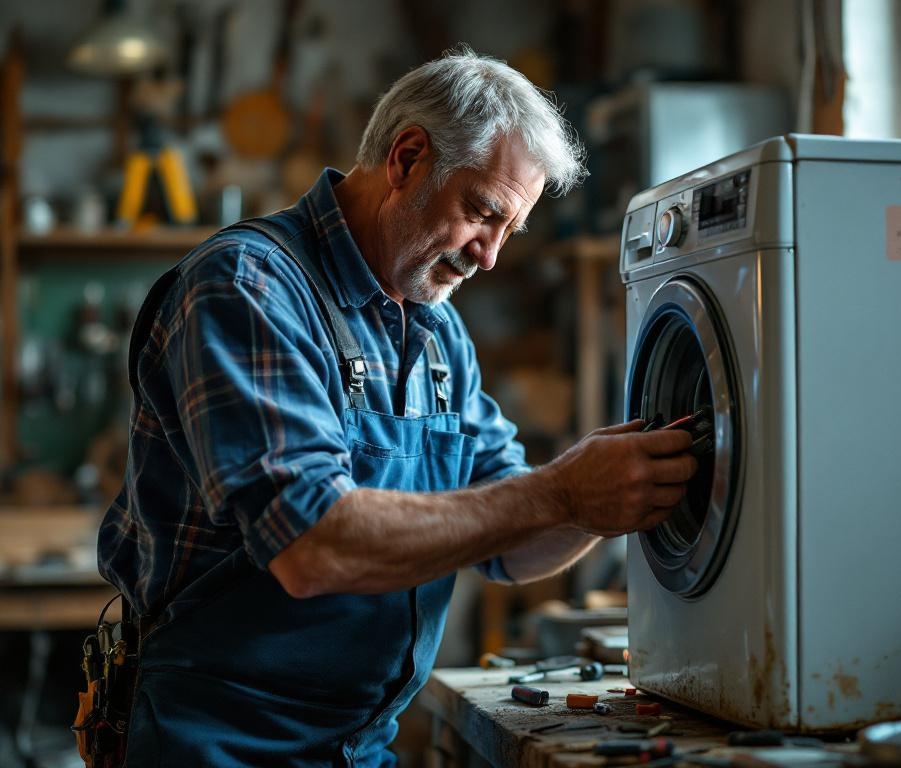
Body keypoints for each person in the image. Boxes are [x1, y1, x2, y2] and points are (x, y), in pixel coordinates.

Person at [98, 46, 698, 767]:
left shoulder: (436, 331)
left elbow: (510, 542)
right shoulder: (248, 287)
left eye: (509, 231)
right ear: (407, 158)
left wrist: (607, 499)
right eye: (483, 213)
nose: (490, 257)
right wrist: (562, 491)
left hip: (359, 747)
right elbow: (312, 546)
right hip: (219, 743)